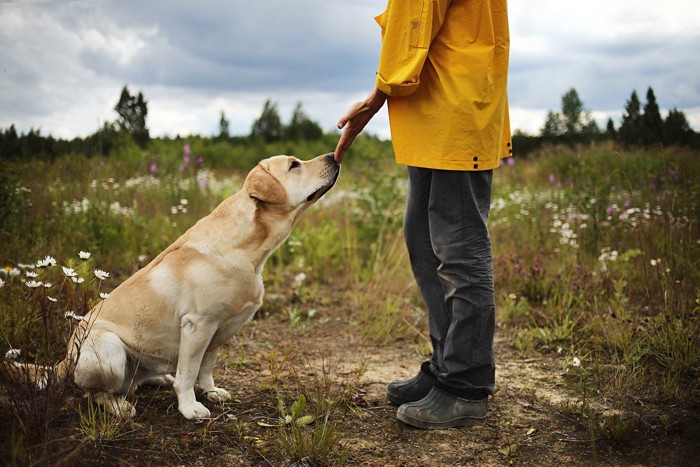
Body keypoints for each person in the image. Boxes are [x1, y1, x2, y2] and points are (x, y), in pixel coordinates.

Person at [334, 0, 511, 429]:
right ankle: (446, 365)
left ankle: (465, 385)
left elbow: (415, 16)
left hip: (455, 104)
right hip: (432, 106)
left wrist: (377, 96)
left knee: (458, 246)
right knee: (423, 239)